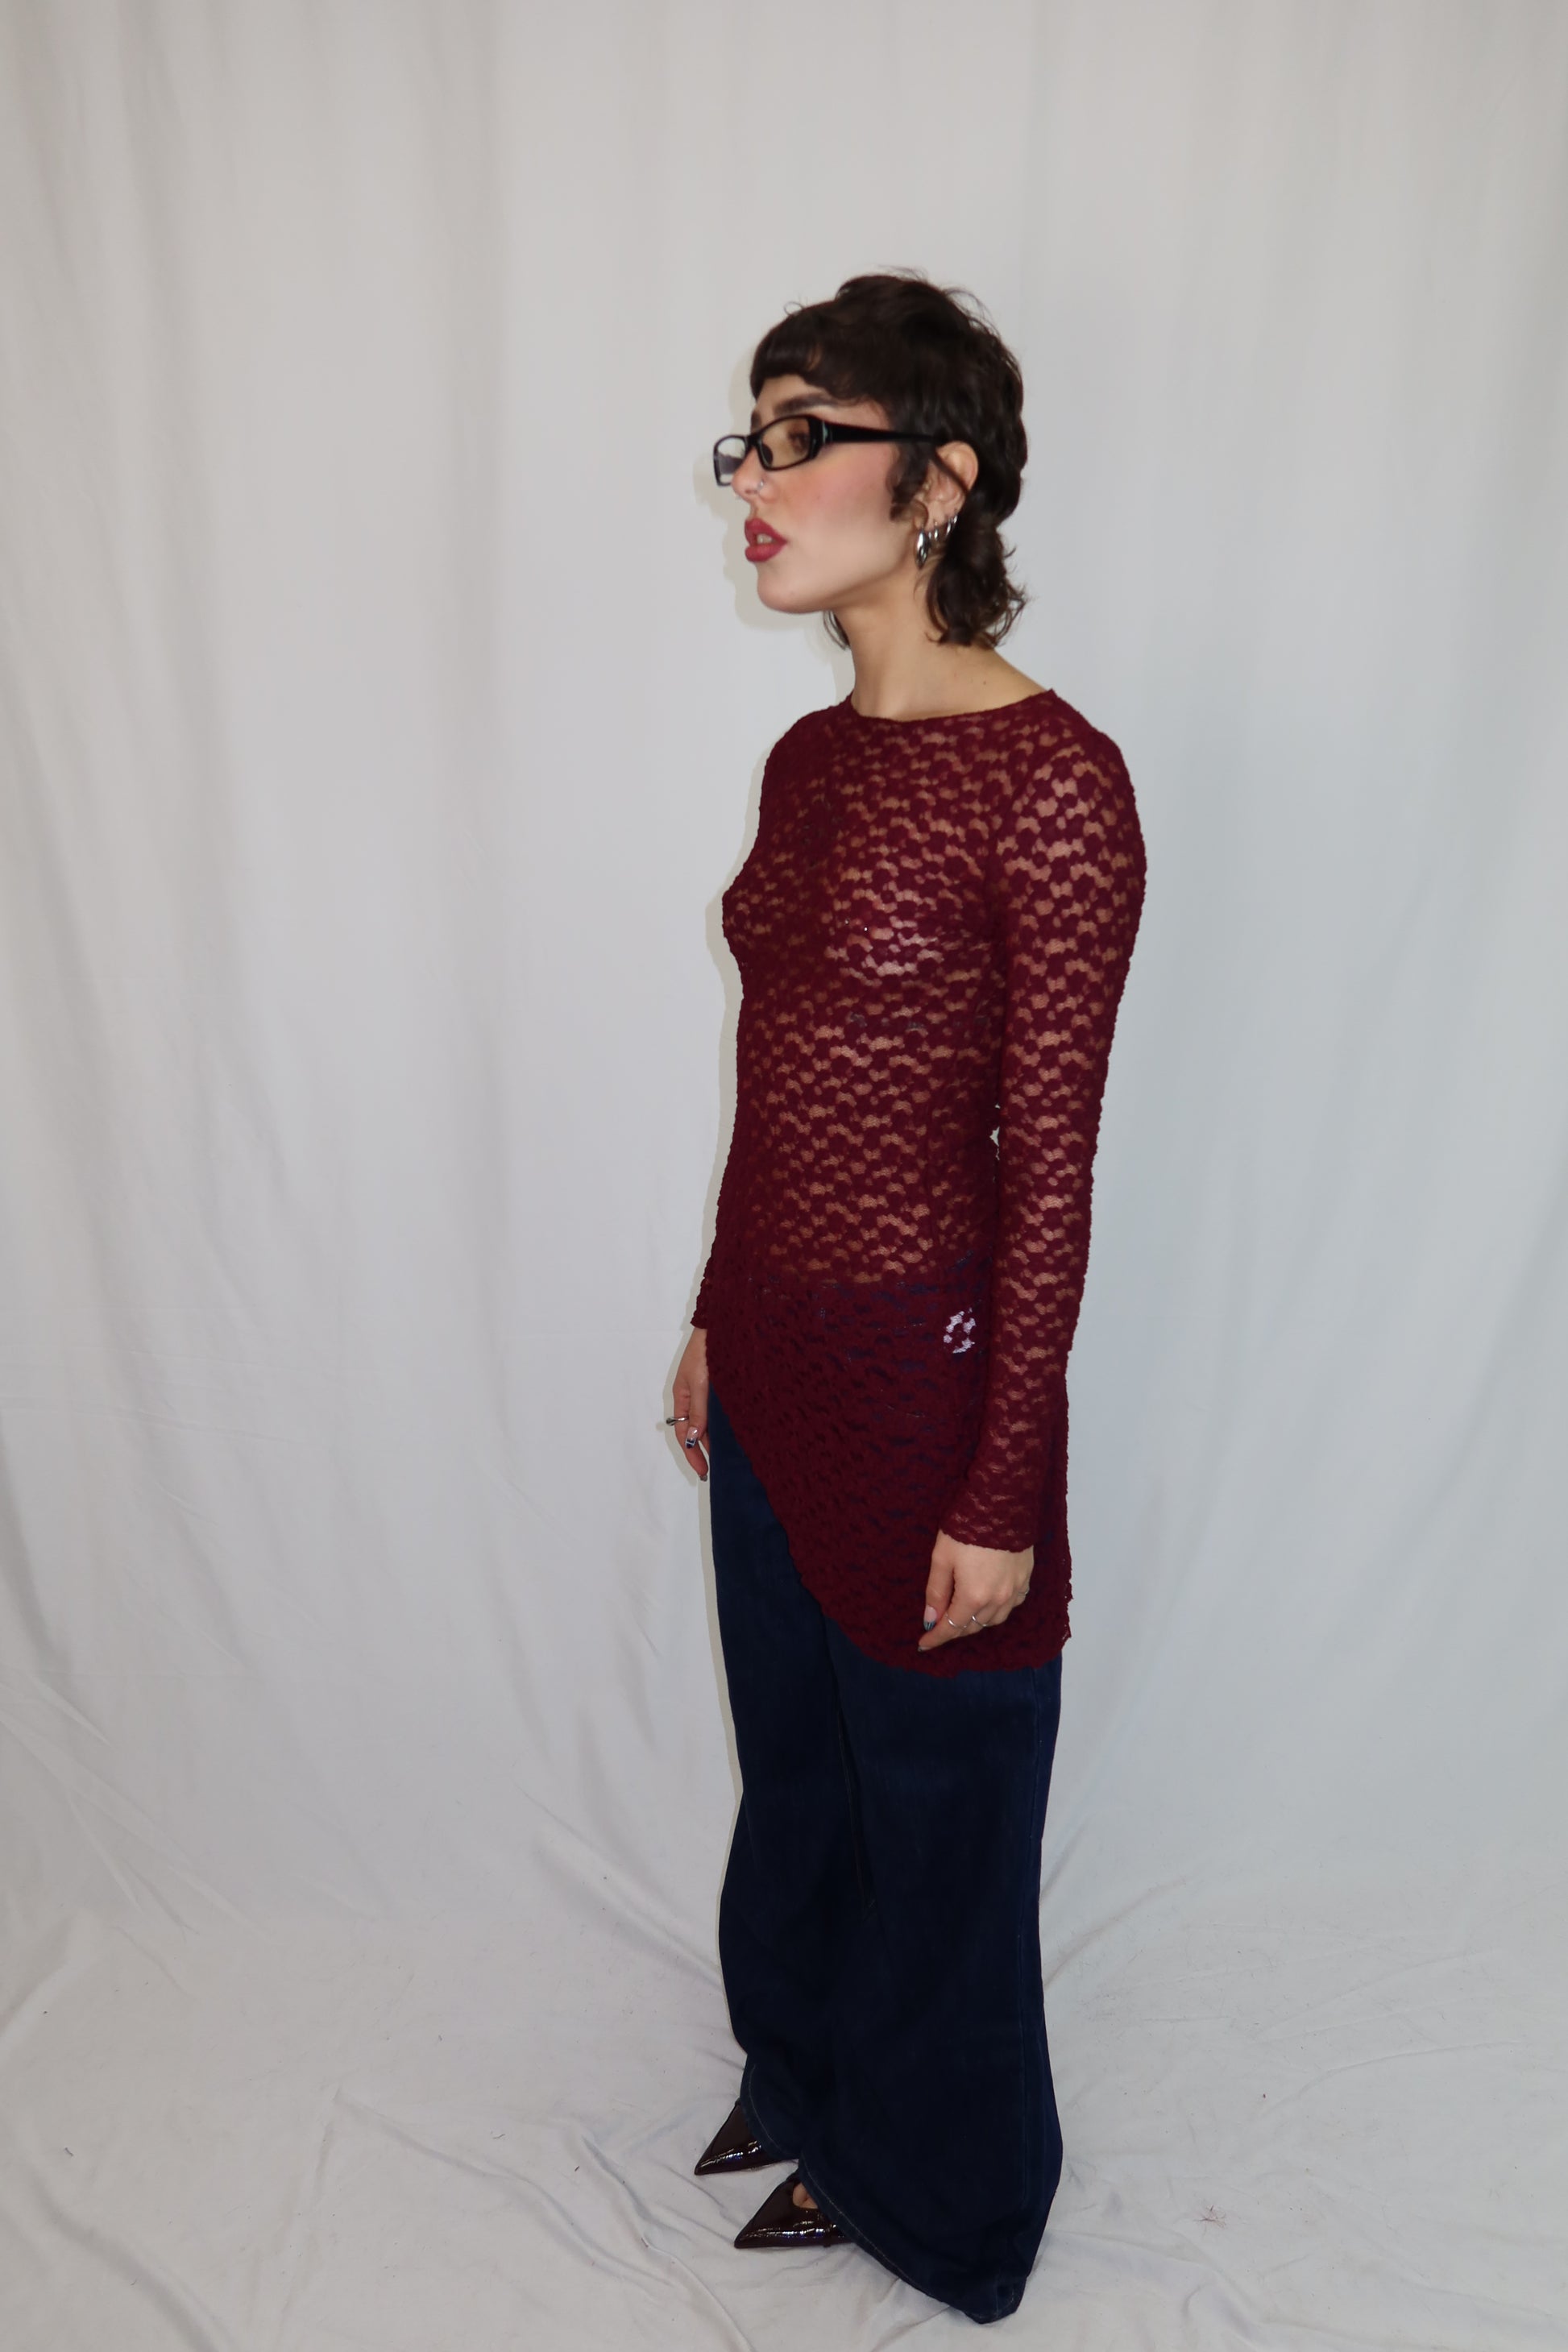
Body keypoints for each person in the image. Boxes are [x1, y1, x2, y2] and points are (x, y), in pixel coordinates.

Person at [669, 270, 1146, 2325]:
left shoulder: (1056, 781)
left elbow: (1052, 1166)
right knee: (801, 1764)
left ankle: (948, 2193)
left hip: (924, 1376)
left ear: (936, 482)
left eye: (803, 437)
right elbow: (777, 1066)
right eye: (750, 439)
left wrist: (1004, 1482)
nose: (754, 481)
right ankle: (804, 2068)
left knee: (940, 1803)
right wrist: (714, 1307)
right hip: (773, 1355)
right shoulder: (807, 759)